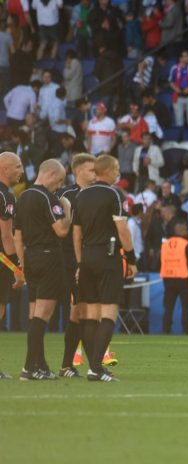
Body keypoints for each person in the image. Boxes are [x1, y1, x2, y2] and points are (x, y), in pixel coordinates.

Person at [73, 155, 138, 382]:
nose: (118, 173)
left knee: (90, 316)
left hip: (87, 256)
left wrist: (80, 262)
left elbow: (76, 234)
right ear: (108, 171)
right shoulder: (114, 194)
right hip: (108, 256)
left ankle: (94, 367)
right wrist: (131, 258)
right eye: (117, 168)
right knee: (108, 313)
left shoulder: (81, 195)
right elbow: (123, 230)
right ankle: (95, 369)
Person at [15, 159, 71, 380]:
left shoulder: (23, 197)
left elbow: (17, 237)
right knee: (43, 316)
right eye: (58, 181)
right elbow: (61, 231)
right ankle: (30, 367)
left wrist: (22, 264)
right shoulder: (47, 197)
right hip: (49, 257)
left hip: (30, 258)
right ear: (49, 174)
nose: (59, 186)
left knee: (34, 315)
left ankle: (40, 365)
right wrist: (66, 208)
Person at [57, 153, 97, 377]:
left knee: (77, 312)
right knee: (82, 311)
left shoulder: (98, 194)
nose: (95, 173)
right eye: (91, 170)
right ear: (78, 171)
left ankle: (67, 365)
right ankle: (93, 366)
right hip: (69, 262)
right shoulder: (65, 195)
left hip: (90, 260)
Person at [0, 152, 24, 379]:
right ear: (5, 169)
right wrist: (18, 268)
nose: (21, 171)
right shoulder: (5, 196)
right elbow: (6, 237)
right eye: (17, 167)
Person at [160, 221, 188, 335]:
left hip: (168, 277)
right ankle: (186, 329)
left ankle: (166, 329)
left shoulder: (165, 244)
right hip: (183, 278)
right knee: (186, 306)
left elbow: (160, 260)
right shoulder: (185, 243)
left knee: (168, 306)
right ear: (182, 231)